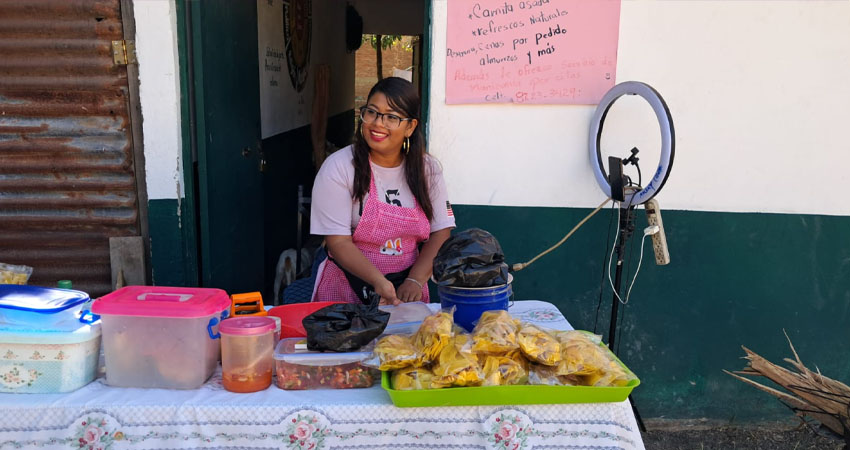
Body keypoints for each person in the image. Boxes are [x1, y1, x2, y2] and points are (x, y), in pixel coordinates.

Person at [310, 77, 455, 305]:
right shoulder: (339, 167)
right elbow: (338, 243)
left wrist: (415, 281)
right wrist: (378, 281)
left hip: (408, 291)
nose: (378, 123)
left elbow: (441, 231)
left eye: (392, 117)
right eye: (372, 112)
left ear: (410, 127)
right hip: (347, 288)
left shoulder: (427, 169)